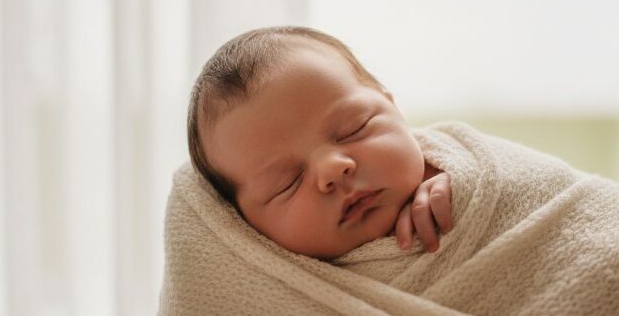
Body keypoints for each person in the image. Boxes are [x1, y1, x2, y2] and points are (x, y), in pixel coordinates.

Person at [187, 25, 453, 260]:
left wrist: (458, 187)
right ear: (243, 224)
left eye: (354, 129)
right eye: (288, 182)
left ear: (394, 108)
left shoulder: (458, 182)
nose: (332, 169)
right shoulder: (259, 284)